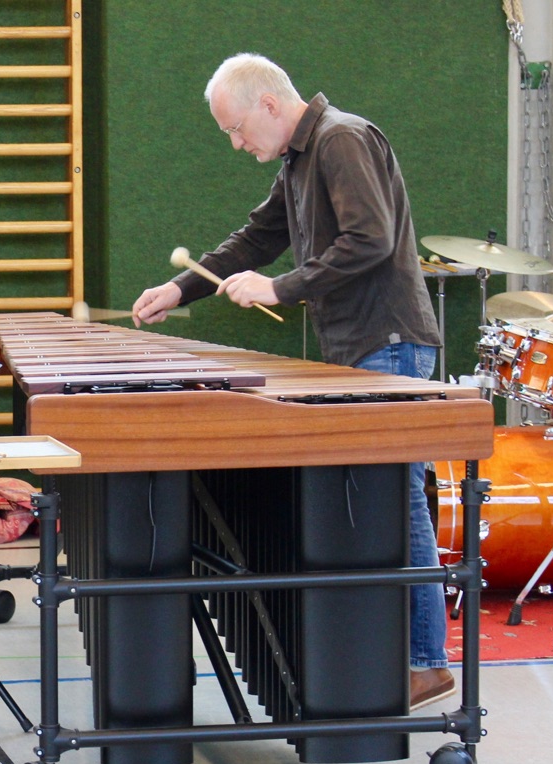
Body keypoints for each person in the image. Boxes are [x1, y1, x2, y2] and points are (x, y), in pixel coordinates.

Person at [131, 53, 454, 711]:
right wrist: (180, 286)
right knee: (371, 504)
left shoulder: (343, 139)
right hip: (357, 348)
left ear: (270, 105)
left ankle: (426, 662)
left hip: (387, 344)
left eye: (237, 127)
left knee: (398, 499)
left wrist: (280, 287)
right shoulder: (299, 161)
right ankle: (379, 653)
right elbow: (254, 240)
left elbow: (370, 239)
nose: (236, 142)